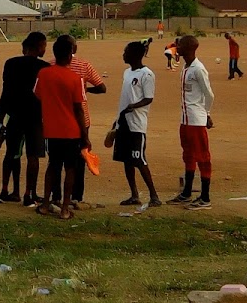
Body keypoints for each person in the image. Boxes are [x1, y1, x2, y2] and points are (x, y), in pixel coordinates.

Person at [33, 35, 89, 220]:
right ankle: (65, 208)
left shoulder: (43, 74)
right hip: (71, 131)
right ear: (70, 55)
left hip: (51, 130)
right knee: (70, 169)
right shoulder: (75, 78)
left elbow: (38, 95)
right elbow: (78, 109)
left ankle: (45, 204)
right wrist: (85, 135)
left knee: (53, 166)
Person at [0, 32, 48, 205]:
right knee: (33, 156)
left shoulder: (11, 64)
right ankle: (29, 194)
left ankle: (7, 190)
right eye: (44, 46)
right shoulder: (45, 67)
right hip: (35, 116)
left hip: (15, 114)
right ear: (39, 46)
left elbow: (6, 91)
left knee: (11, 153)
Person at [53, 38, 107, 208]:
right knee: (78, 160)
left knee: (55, 161)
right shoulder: (84, 65)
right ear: (73, 49)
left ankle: (55, 196)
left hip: (56, 119)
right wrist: (86, 89)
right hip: (80, 120)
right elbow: (102, 87)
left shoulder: (49, 66)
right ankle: (76, 196)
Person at [169, 35, 215, 209]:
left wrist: (207, 114)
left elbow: (209, 94)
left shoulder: (198, 69)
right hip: (185, 119)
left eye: (179, 45)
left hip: (196, 120)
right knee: (188, 155)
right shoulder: (185, 67)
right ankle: (186, 193)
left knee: (202, 156)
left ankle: (205, 198)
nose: (177, 48)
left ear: (188, 48)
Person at [112, 41, 160, 206]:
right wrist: (117, 120)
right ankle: (134, 195)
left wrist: (134, 106)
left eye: (126, 52)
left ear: (135, 55)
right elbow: (125, 98)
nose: (123, 55)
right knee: (127, 160)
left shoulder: (147, 74)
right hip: (123, 122)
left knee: (139, 160)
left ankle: (154, 196)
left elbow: (149, 98)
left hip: (136, 124)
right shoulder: (127, 73)